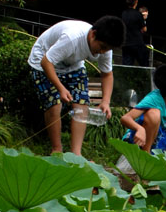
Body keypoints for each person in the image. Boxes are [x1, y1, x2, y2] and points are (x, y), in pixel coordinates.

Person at [28, 15, 125, 156]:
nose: (103, 52)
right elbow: (46, 62)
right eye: (102, 47)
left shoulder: (105, 48)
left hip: (72, 64)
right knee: (54, 104)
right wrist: (61, 88)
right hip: (43, 61)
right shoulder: (71, 38)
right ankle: (57, 150)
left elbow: (107, 74)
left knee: (82, 104)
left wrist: (105, 101)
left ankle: (76, 154)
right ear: (93, 34)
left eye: (107, 49)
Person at [121, 0, 149, 67]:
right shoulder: (138, 14)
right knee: (144, 65)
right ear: (136, 2)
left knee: (127, 66)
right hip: (137, 43)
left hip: (126, 43)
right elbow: (144, 29)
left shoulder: (123, 14)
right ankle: (146, 77)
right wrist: (144, 19)